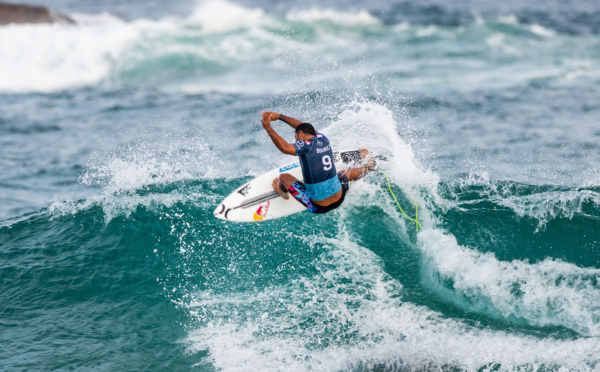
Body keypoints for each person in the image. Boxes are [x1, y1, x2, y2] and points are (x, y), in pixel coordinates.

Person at [261, 111, 373, 214]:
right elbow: (301, 126)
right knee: (345, 173)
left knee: (283, 177)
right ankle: (368, 168)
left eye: (295, 137)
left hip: (317, 206)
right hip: (339, 198)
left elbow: (285, 148)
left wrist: (268, 128)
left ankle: (283, 193)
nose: (295, 142)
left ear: (300, 135)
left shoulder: (306, 146)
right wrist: (280, 117)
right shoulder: (323, 138)